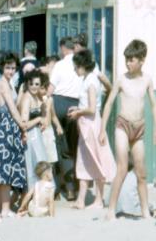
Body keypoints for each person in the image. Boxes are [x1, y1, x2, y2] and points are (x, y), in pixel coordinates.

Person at [99, 39, 156, 220]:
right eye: (126, 60)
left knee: (142, 173)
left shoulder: (147, 79)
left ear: (142, 60)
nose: (128, 63)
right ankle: (111, 210)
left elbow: (155, 105)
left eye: (131, 60)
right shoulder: (121, 80)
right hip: (122, 126)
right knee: (122, 168)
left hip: (139, 129)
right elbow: (109, 104)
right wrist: (102, 129)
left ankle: (144, 212)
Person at [68, 48, 116, 210]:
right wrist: (78, 108)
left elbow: (92, 109)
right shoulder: (88, 79)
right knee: (83, 160)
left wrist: (78, 112)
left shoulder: (91, 81)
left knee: (97, 160)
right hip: (86, 124)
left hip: (91, 124)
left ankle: (99, 200)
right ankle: (81, 200)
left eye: (76, 66)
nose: (75, 70)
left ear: (82, 65)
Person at [0, 52, 27, 217]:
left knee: (2, 169)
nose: (10, 71)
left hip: (5, 126)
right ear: (2, 67)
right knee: (5, 169)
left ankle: (3, 207)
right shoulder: (3, 83)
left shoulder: (7, 82)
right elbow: (12, 109)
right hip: (6, 126)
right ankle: (5, 209)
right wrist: (23, 127)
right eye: (8, 67)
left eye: (13, 68)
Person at [47, 37, 82, 201]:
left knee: (61, 147)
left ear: (63, 49)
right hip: (75, 104)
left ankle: (64, 187)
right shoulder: (79, 63)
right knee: (74, 146)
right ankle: (74, 186)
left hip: (59, 103)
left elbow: (51, 89)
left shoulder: (59, 65)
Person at [19, 70, 49, 190]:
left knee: (39, 164)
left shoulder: (35, 97)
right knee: (34, 166)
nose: (34, 87)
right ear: (27, 84)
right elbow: (24, 124)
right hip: (30, 138)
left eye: (37, 84)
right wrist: (38, 120)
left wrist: (42, 122)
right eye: (31, 84)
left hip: (36, 136)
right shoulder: (27, 98)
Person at [40, 78, 62, 165]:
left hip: (48, 131)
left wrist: (58, 126)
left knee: (50, 160)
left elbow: (53, 116)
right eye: (41, 88)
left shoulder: (49, 99)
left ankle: (49, 176)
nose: (44, 90)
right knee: (41, 160)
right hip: (40, 131)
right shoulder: (35, 100)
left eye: (45, 88)